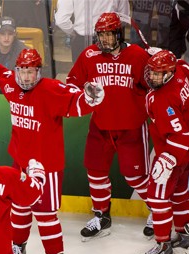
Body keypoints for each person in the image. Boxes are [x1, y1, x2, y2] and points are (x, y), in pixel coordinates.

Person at [0, 48, 105, 254]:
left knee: (45, 213)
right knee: (19, 206)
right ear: (18, 70)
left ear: (39, 72)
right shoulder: (11, 83)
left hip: (46, 166)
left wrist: (91, 98)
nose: (27, 77)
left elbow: (77, 103)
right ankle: (18, 247)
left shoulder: (50, 89)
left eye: (31, 72)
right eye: (23, 71)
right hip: (20, 162)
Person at [66, 12, 153, 241]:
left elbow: (153, 87)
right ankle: (101, 216)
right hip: (100, 126)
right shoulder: (89, 55)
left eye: (109, 34)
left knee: (136, 177)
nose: (104, 40)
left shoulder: (137, 55)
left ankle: (158, 210)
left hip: (131, 127)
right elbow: (72, 83)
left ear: (119, 34)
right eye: (101, 35)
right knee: (95, 172)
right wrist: (82, 93)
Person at [140, 50, 189, 254]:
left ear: (169, 73)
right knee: (179, 192)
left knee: (157, 196)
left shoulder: (162, 98)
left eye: (159, 74)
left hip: (175, 150)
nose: (153, 77)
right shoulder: (181, 72)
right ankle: (183, 237)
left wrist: (167, 161)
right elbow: (185, 66)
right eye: (153, 73)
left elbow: (179, 135)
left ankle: (163, 247)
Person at [55, 0, 130, 62]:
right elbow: (124, 17)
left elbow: (61, 20)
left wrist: (74, 33)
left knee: (83, 78)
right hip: (109, 38)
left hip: (81, 40)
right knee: (108, 77)